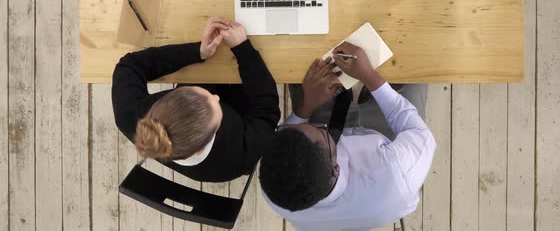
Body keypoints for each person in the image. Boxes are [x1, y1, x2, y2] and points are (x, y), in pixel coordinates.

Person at [259, 42, 436, 231]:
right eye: (319, 129)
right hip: (386, 137)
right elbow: (419, 132)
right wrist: (369, 75)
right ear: (336, 168)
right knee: (417, 62)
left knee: (309, 71)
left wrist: (306, 107)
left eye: (305, 125)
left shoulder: (274, 186)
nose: (315, 124)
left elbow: (290, 133)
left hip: (322, 147)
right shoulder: (396, 173)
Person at [112, 17, 280, 182]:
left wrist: (198, 51)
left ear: (171, 97)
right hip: (244, 116)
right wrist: (242, 49)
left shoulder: (130, 116)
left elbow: (130, 65)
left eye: (197, 91)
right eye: (218, 110)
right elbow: (267, 110)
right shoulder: (239, 158)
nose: (216, 97)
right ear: (202, 146)